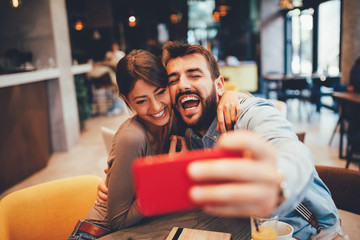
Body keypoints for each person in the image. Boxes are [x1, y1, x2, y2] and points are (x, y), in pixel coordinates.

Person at [162, 41, 347, 240]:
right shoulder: (191, 135)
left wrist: (279, 182)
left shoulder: (249, 115)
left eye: (194, 75)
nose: (182, 84)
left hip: (313, 231)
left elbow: (291, 149)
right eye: (173, 80)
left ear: (219, 86)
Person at [68, 49, 244, 240]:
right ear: (127, 100)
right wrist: (165, 177)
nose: (156, 107)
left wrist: (229, 96)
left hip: (149, 227)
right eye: (141, 101)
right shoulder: (131, 137)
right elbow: (117, 222)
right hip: (98, 234)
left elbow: (228, 99)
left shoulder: (176, 118)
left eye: (160, 93)